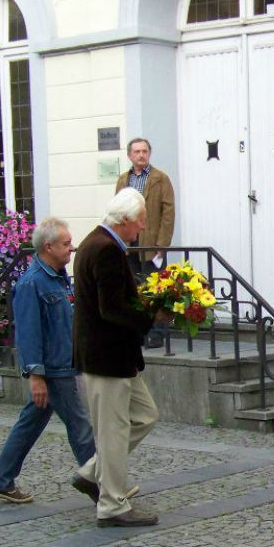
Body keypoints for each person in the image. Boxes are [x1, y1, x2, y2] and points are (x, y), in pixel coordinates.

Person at [73, 188, 171, 526]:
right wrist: (150, 317)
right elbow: (111, 308)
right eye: (141, 220)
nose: (142, 227)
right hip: (107, 356)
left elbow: (113, 299)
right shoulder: (105, 250)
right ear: (125, 219)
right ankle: (112, 505)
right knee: (113, 432)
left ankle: (92, 472)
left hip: (114, 356)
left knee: (145, 416)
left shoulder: (99, 243)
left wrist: (146, 301)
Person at [0, 218, 98, 503]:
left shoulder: (58, 277)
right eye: (66, 244)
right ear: (48, 247)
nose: (72, 248)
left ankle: (1, 480)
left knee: (30, 423)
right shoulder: (32, 283)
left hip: (62, 362)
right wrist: (35, 376)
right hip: (52, 369)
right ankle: (103, 485)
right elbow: (28, 333)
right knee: (81, 426)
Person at [115, 137, 175, 348]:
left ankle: (158, 332)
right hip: (129, 244)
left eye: (144, 151)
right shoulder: (123, 179)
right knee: (134, 289)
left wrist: (162, 243)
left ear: (149, 154)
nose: (141, 155)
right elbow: (117, 211)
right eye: (137, 152)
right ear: (130, 155)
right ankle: (138, 331)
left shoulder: (160, 178)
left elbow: (168, 212)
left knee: (157, 289)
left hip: (151, 243)